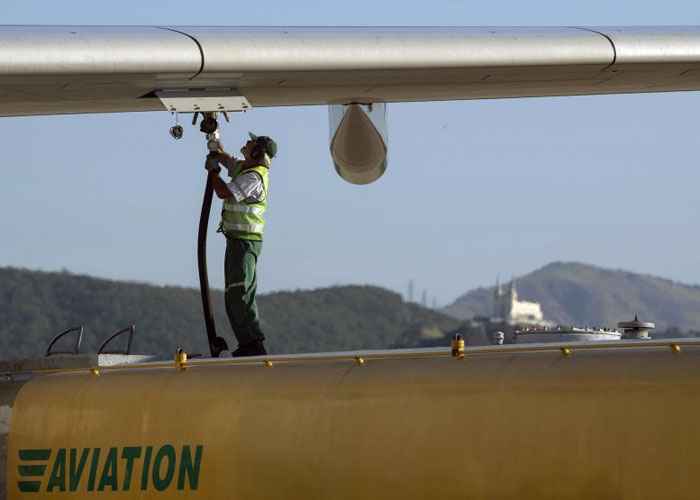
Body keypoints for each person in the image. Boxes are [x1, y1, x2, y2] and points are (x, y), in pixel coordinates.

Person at [205, 132, 277, 357]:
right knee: (234, 295)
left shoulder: (254, 177)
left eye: (251, 143)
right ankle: (248, 343)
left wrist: (212, 172)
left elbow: (224, 191)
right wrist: (215, 145)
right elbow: (228, 161)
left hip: (245, 244)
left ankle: (253, 344)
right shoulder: (246, 169)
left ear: (258, 152)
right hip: (237, 242)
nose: (245, 144)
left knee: (240, 294)